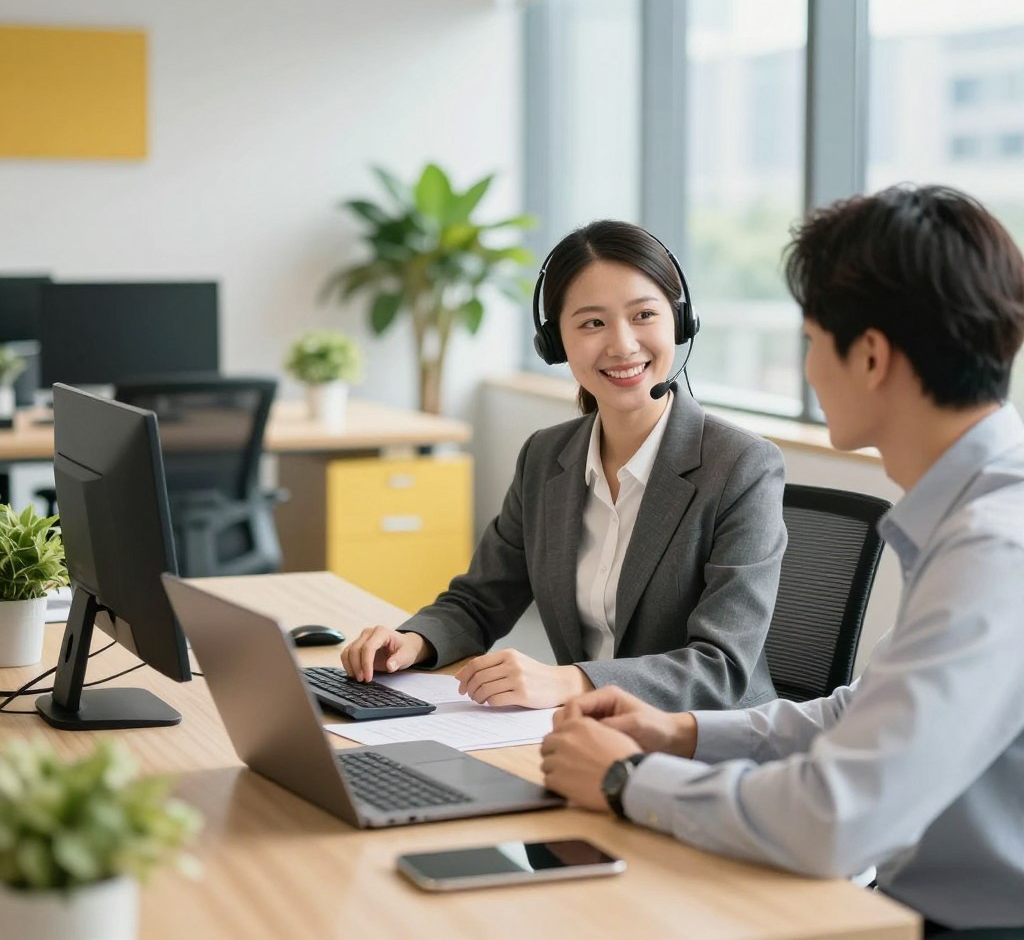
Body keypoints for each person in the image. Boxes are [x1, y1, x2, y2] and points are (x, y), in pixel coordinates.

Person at [539, 186, 1024, 935]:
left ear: (868, 356)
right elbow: (862, 710)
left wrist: (625, 777)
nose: (805, 369)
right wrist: (683, 734)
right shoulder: (971, 513)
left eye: (808, 340)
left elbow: (834, 818)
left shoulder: (995, 549)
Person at [341, 219, 787, 711]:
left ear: (680, 322)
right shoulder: (546, 458)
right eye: (592, 323)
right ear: (556, 345)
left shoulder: (742, 466)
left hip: (704, 742)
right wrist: (413, 642)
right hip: (582, 731)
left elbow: (721, 666)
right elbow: (479, 601)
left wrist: (571, 682)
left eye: (643, 315)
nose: (622, 344)